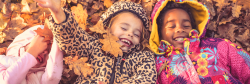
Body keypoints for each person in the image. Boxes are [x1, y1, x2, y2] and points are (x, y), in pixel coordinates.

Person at [35, 0, 157, 83]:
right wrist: (57, 12)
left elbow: (146, 79)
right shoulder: (94, 46)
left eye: (136, 34)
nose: (130, 34)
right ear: (107, 27)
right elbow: (72, 38)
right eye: (124, 28)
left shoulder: (143, 57)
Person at [149, 0, 250, 83]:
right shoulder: (156, 64)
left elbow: (246, 67)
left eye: (186, 26)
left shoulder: (218, 46)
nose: (180, 29)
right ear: (159, 32)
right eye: (171, 26)